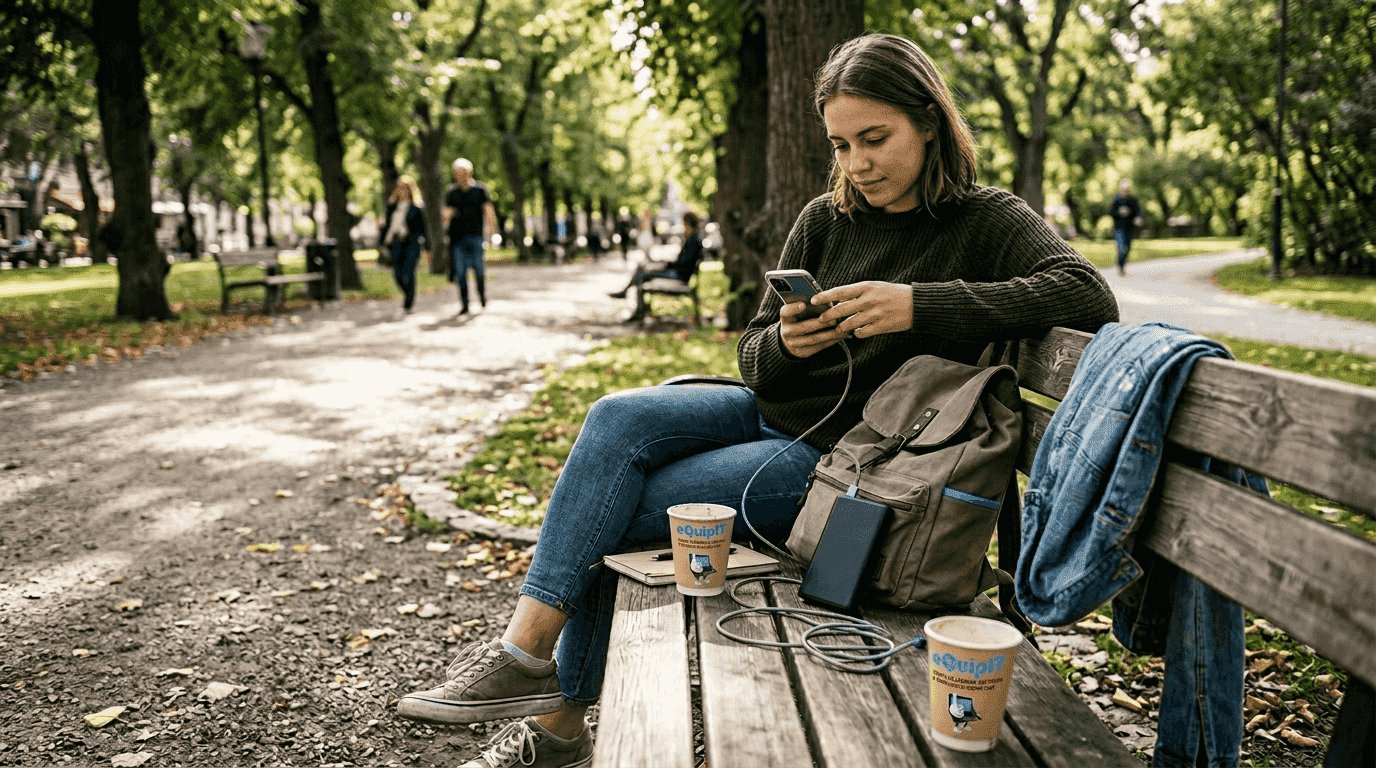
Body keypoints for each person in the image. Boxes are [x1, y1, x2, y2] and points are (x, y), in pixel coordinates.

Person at [395, 32, 1118, 768]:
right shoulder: (826, 219)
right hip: (767, 412)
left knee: (618, 513)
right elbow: (752, 357)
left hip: (844, 460)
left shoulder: (985, 219)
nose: (857, 164)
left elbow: (1089, 295)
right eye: (840, 145)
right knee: (615, 416)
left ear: (928, 121)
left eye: (875, 139)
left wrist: (916, 305)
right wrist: (788, 344)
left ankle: (555, 727)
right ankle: (523, 657)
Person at [606, 211, 704, 322]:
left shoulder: (693, 241)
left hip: (679, 275)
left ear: (687, 224)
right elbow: (682, 261)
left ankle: (635, 307)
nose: (683, 227)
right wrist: (664, 263)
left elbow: (683, 263)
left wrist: (666, 265)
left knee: (644, 275)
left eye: (684, 224)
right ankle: (634, 304)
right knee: (642, 269)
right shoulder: (692, 239)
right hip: (678, 272)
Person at [445, 158, 497, 315]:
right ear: (454, 174)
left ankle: (482, 297)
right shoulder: (451, 192)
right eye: (457, 173)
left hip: (476, 236)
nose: (460, 176)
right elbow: (446, 213)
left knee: (479, 270)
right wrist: (446, 216)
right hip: (457, 239)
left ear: (470, 172)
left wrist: (491, 232)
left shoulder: (480, 190)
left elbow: (488, 211)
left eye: (463, 172)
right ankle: (465, 304)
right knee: (460, 273)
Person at [380, 178, 427, 312]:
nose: (402, 191)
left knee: (409, 271)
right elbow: (385, 226)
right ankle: (407, 295)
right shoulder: (392, 207)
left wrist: (427, 248)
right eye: (399, 187)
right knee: (397, 273)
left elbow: (423, 229)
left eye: (405, 188)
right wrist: (381, 243)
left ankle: (409, 302)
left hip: (411, 243)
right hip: (395, 243)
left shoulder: (417, 208)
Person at [1109, 179, 1143, 276]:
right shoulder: (1116, 199)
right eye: (1124, 189)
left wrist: (1137, 218)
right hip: (1119, 228)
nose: (1126, 191)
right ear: (1121, 189)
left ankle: (1122, 265)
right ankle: (1120, 266)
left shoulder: (1133, 200)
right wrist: (1119, 211)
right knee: (1121, 247)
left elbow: (1138, 211)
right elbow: (1110, 211)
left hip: (1129, 228)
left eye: (1127, 189)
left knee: (1127, 247)